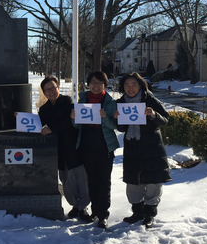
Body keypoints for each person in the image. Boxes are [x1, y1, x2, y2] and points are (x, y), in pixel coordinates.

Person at [114, 72, 171, 228]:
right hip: (133, 147)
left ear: (140, 85)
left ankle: (149, 214)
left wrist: (153, 115)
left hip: (152, 147)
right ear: (122, 87)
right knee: (133, 182)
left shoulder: (149, 99)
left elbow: (165, 119)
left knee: (153, 181)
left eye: (134, 84)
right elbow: (121, 128)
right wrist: (118, 119)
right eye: (126, 85)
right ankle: (137, 212)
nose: (130, 88)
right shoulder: (121, 103)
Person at [37, 76, 91, 221]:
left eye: (53, 87)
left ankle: (84, 206)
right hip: (57, 150)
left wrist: (52, 128)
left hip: (73, 146)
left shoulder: (68, 102)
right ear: (44, 92)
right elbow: (40, 127)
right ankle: (75, 206)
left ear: (58, 88)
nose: (51, 91)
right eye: (47, 89)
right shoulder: (43, 110)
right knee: (66, 179)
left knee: (80, 177)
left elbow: (68, 122)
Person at [71, 71, 119, 229]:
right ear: (88, 84)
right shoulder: (82, 99)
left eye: (99, 83)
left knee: (104, 181)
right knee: (91, 180)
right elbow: (77, 126)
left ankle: (103, 214)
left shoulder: (110, 102)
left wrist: (105, 118)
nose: (96, 86)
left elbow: (115, 126)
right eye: (93, 82)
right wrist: (73, 119)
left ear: (105, 84)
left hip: (104, 145)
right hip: (86, 144)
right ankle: (95, 211)